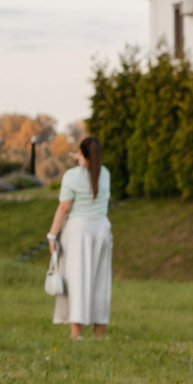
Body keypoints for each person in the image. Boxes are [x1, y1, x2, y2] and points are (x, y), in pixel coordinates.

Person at [45, 135, 113, 339]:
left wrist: (52, 235)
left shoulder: (72, 176)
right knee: (100, 280)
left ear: (82, 154)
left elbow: (65, 207)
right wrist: (80, 156)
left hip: (79, 231)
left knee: (77, 279)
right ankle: (99, 333)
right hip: (101, 228)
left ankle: (77, 333)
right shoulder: (105, 174)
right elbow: (89, 166)